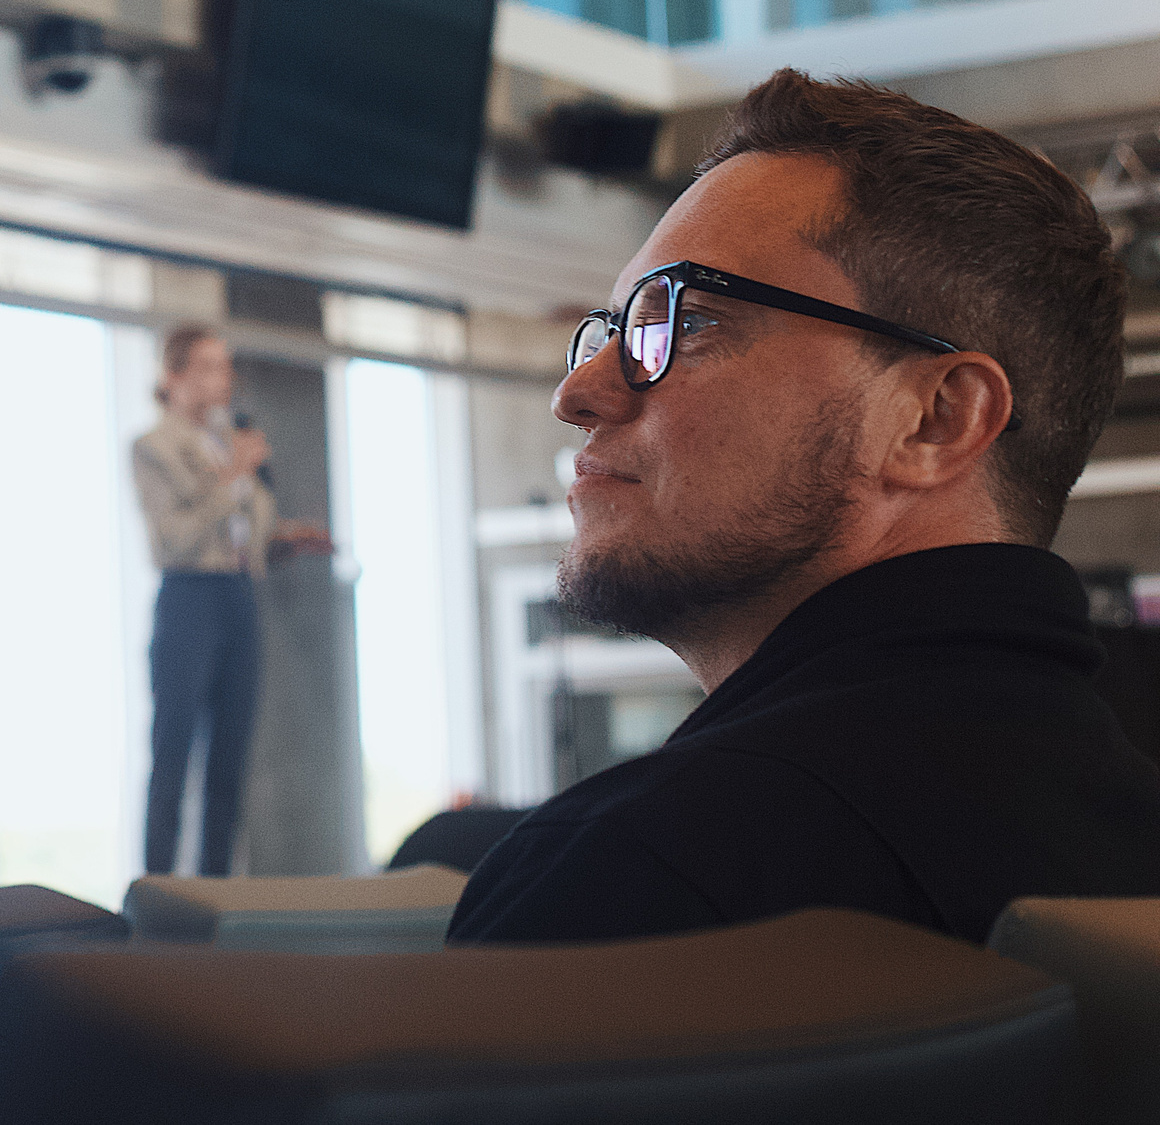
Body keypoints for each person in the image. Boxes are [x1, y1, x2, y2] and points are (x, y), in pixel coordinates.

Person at [451, 70, 1160, 945]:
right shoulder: (1128, 852)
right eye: (614, 329)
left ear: (935, 419)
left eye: (691, 318)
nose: (579, 390)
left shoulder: (639, 881)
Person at [132, 325, 329, 876]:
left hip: (240, 599)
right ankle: (158, 895)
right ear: (175, 376)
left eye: (227, 367)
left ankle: (216, 897)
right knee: (172, 758)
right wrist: (234, 474)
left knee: (230, 760)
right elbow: (175, 538)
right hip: (188, 600)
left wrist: (289, 539)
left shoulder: (227, 441)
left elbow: (244, 536)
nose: (225, 380)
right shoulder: (155, 448)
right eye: (212, 367)